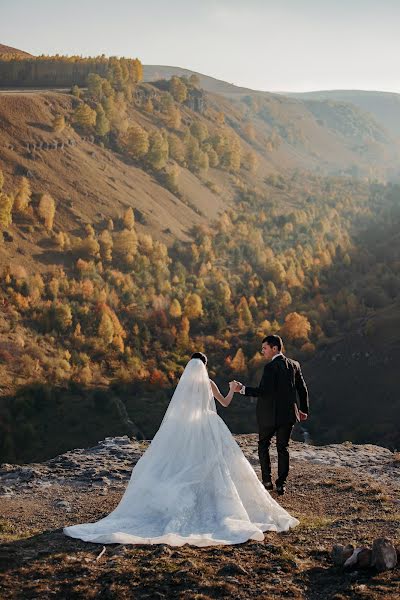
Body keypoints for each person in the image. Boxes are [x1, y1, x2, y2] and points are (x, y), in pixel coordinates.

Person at [63, 352, 299, 547]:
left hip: (187, 428)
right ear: (205, 368)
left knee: (186, 463)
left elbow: (178, 411)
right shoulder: (209, 384)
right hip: (208, 426)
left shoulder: (184, 387)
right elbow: (225, 403)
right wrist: (232, 389)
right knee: (216, 465)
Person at [232, 335, 309, 496]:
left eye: (264, 348)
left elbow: (263, 392)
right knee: (283, 448)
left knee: (263, 445)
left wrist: (242, 389)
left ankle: (267, 481)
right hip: (288, 415)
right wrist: (304, 410)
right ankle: (281, 484)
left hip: (268, 415)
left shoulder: (270, 368)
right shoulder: (294, 365)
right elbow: (302, 389)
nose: (262, 351)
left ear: (274, 348)